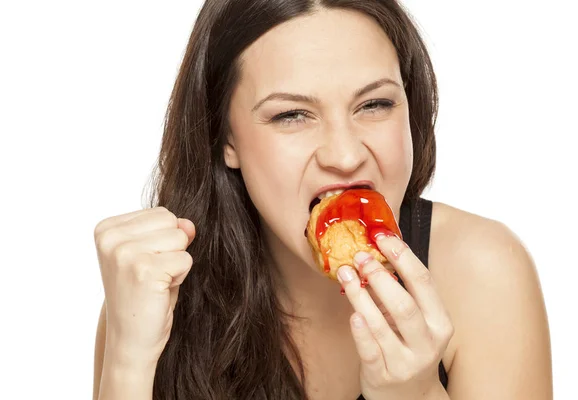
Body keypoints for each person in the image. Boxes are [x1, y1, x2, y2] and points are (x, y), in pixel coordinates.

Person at [92, 1, 552, 399]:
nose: (346, 155)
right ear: (225, 138)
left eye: (375, 105)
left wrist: (417, 395)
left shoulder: (484, 272)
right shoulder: (155, 290)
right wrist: (127, 363)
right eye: (292, 115)